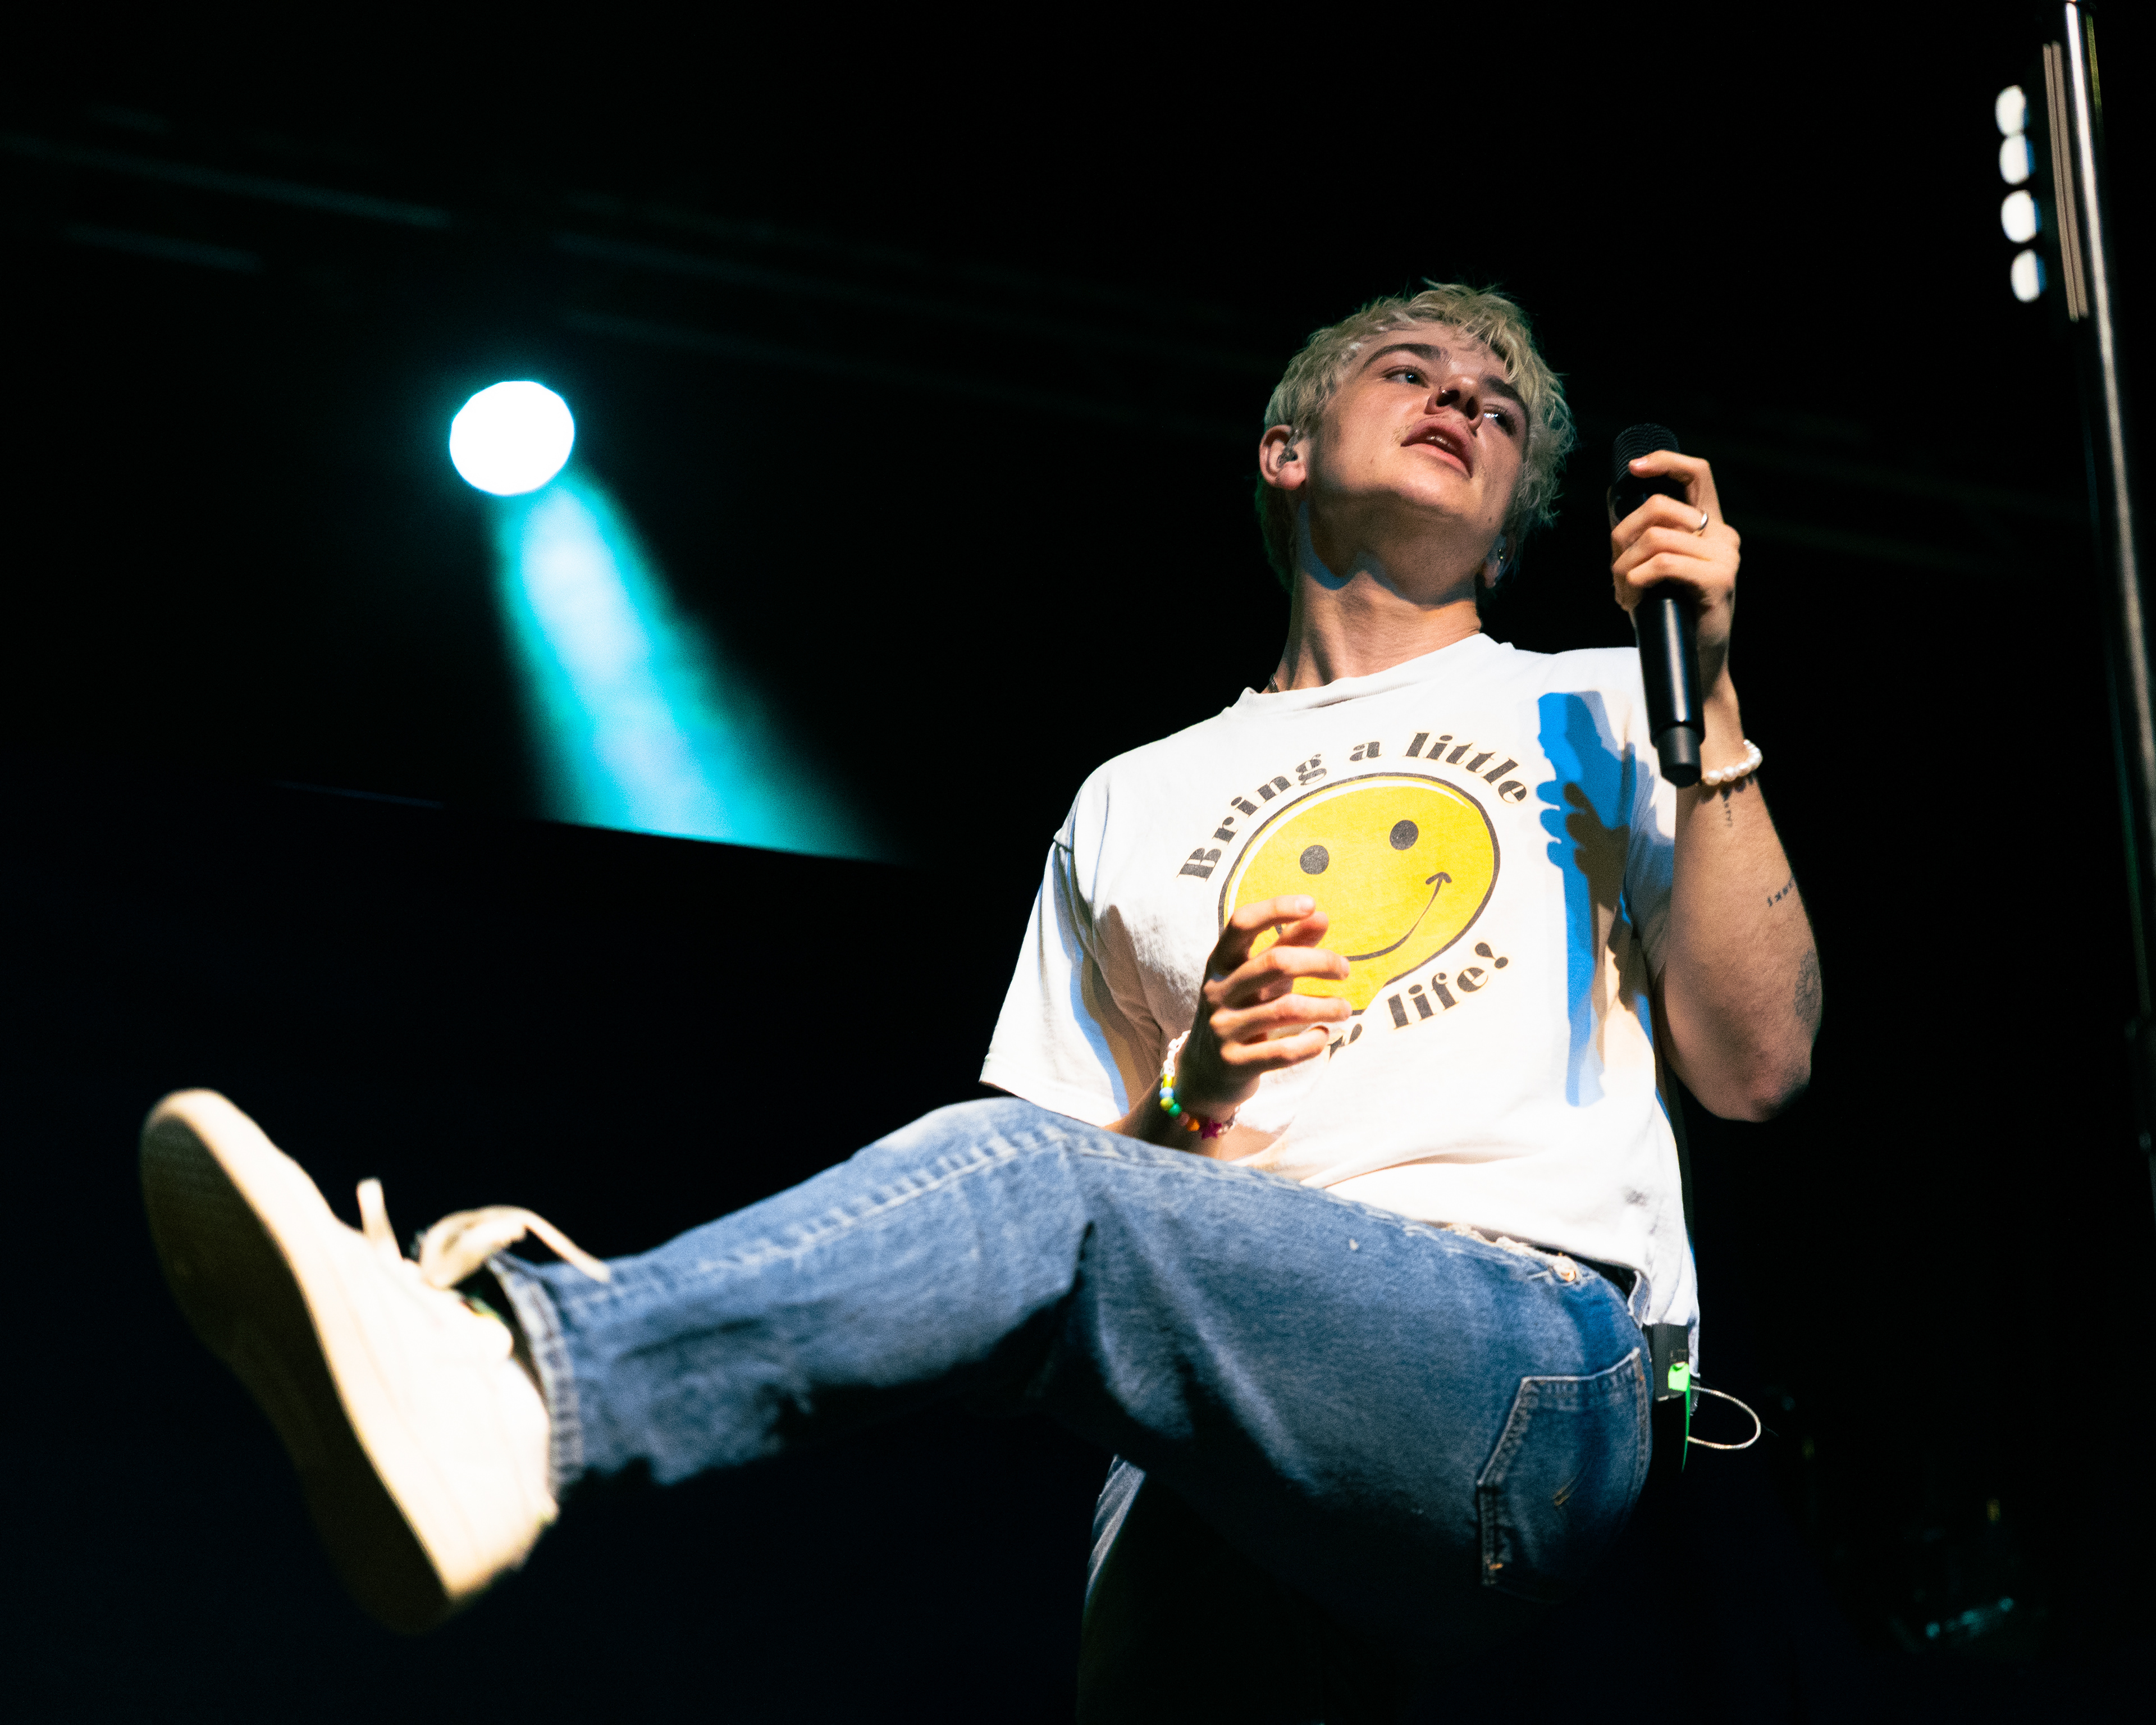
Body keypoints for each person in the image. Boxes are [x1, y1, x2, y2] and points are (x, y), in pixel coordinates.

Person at [141, 282, 1820, 1722]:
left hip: (1524, 1356)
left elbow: (1759, 1067)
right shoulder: (1132, 800)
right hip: (1216, 1440)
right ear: (1286, 451)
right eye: (1413, 371)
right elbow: (1047, 1256)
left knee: (1025, 1183)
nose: (1464, 399)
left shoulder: (1610, 702)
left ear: (1517, 519)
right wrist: (1199, 1087)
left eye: (1502, 409)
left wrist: (1713, 687)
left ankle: (526, 1385)